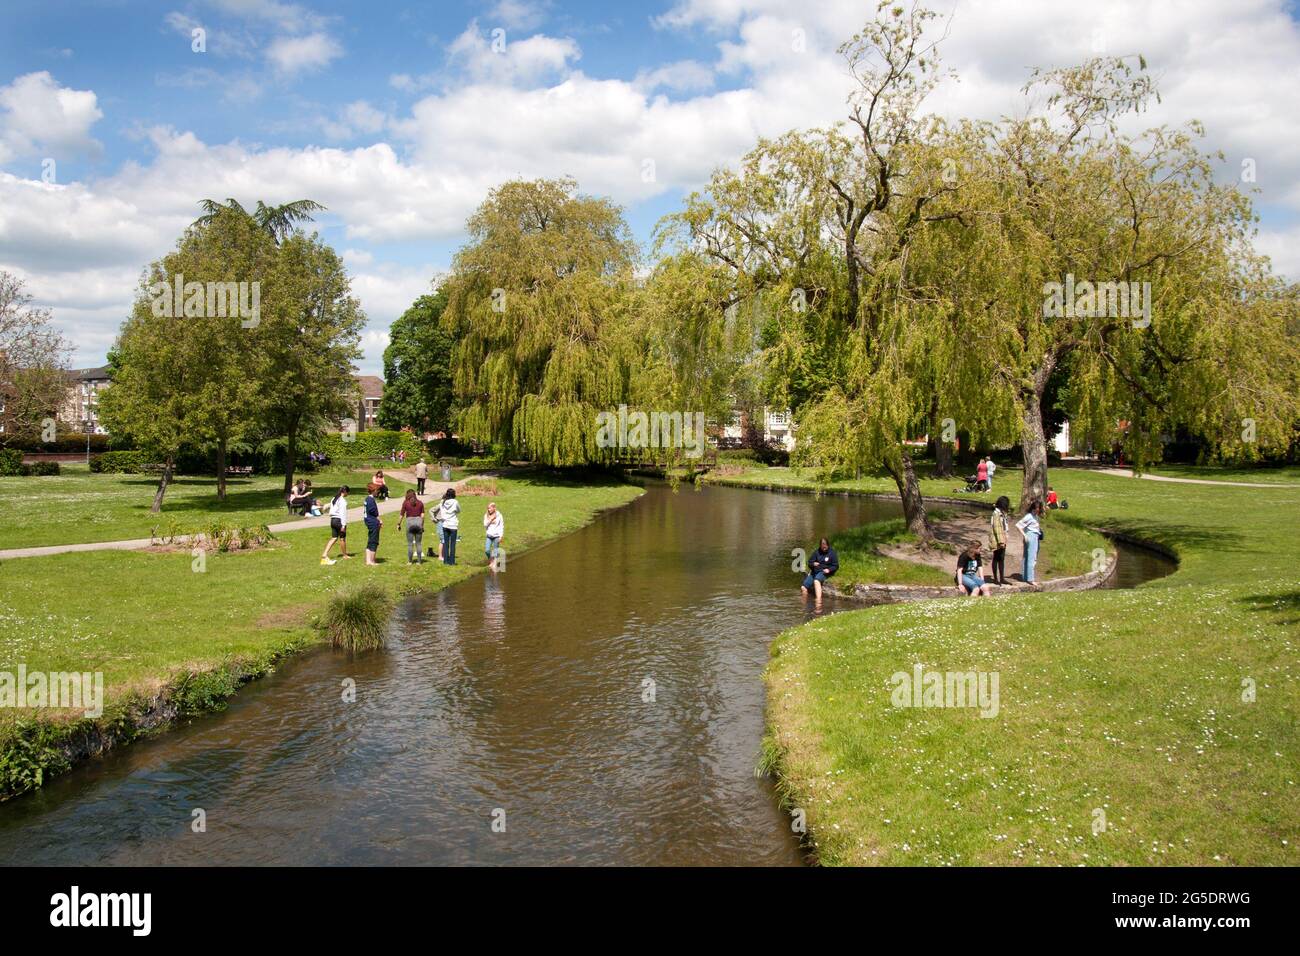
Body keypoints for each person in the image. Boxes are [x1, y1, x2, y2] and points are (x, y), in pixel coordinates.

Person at [1016, 500, 1045, 585]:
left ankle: (1025, 577)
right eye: (1036, 508)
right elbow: (1018, 525)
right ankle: (1030, 578)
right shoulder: (1029, 516)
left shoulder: (1035, 516)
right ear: (1033, 508)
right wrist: (1024, 535)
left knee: (1028, 556)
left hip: (1035, 536)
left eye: (1039, 508)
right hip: (1031, 536)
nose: (1038, 510)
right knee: (1031, 557)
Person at [321, 486, 351, 564]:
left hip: (333, 520)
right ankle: (345, 555)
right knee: (342, 538)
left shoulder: (334, 498)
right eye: (348, 492)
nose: (348, 494)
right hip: (339, 521)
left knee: (334, 538)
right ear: (345, 492)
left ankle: (324, 553)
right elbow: (343, 514)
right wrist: (343, 525)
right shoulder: (343, 501)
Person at [398, 489, 425, 564]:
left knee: (410, 543)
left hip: (409, 523)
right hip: (419, 523)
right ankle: (419, 561)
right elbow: (423, 515)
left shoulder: (405, 503)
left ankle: (410, 561)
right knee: (418, 543)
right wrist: (422, 525)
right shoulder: (420, 503)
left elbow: (401, 515)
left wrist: (398, 524)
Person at [989, 495, 1010, 585]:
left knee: (1002, 558)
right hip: (997, 539)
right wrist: (1001, 541)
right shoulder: (996, 514)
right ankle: (995, 578)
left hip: (1003, 537)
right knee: (996, 558)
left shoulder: (1002, 513)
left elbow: (1005, 525)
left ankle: (1002, 578)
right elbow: (997, 528)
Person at [438, 488, 460, 565]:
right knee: (453, 544)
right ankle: (452, 562)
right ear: (454, 494)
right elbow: (458, 510)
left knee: (446, 544)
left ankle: (446, 561)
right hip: (453, 525)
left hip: (445, 524)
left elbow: (442, 512)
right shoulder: (455, 502)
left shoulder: (442, 502)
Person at [363, 481, 383, 565]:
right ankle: (372, 560)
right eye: (377, 490)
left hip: (368, 521)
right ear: (373, 490)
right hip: (373, 522)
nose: (378, 492)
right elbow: (374, 512)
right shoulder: (371, 500)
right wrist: (379, 520)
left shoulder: (367, 499)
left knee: (370, 540)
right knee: (374, 541)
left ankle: (368, 560)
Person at [483, 501, 504, 571]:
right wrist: (491, 519)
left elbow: (501, 526)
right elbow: (485, 525)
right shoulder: (486, 515)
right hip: (489, 535)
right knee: (487, 550)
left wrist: (501, 536)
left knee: (495, 550)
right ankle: (491, 560)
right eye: (488, 508)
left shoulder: (499, 516)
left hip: (496, 536)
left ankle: (494, 563)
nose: (489, 510)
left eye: (490, 508)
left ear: (494, 508)